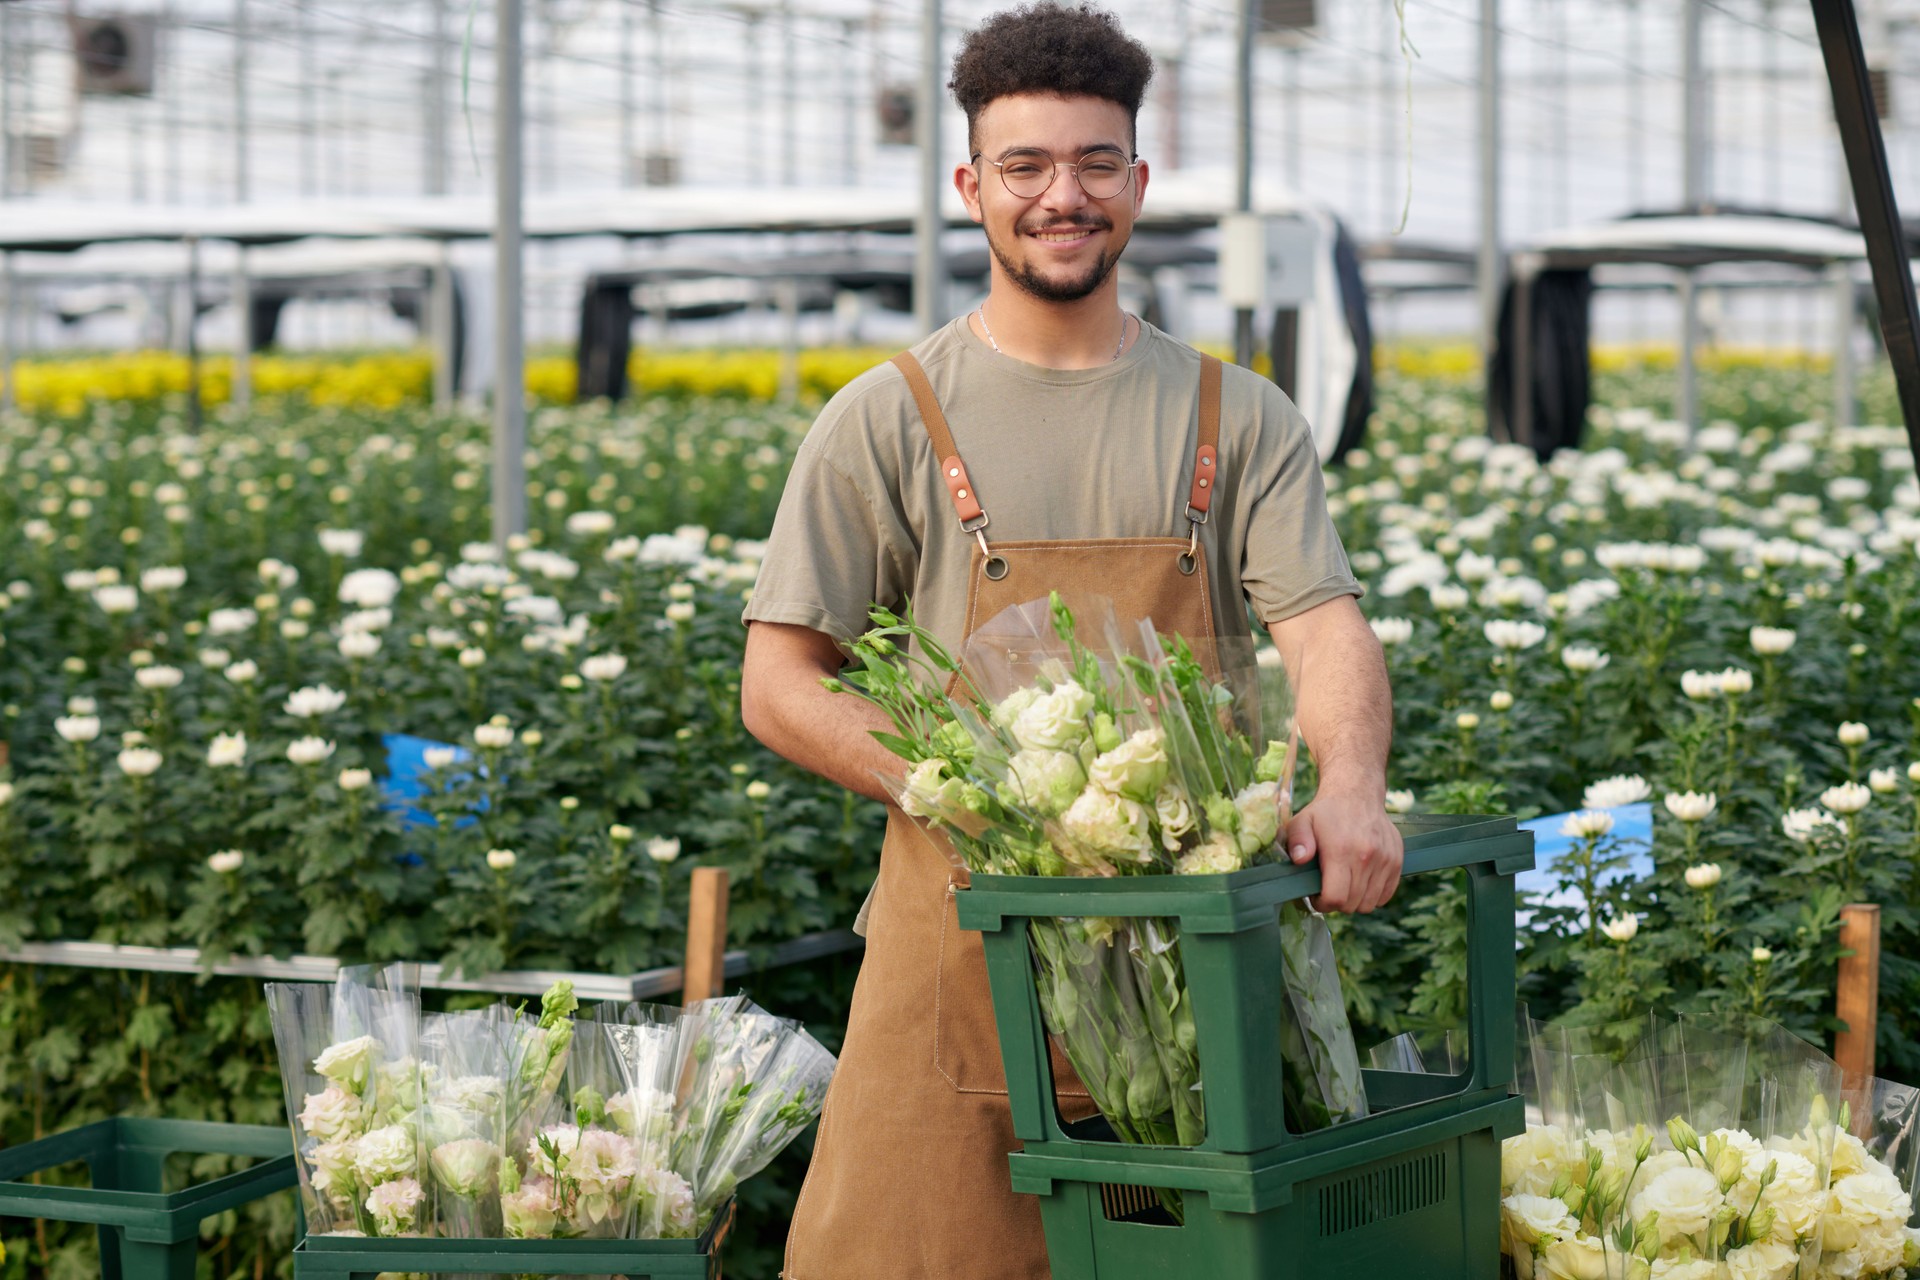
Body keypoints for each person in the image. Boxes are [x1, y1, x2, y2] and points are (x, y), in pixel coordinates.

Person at [739, 4, 1402, 1275]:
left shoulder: (1237, 416)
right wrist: (982, 792)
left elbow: (1324, 629)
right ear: (971, 185)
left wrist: (1352, 786)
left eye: (1096, 163)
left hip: (1195, 972)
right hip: (961, 958)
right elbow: (779, 684)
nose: (1063, 195)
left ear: (1139, 183)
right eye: (1026, 166)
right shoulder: (886, 420)